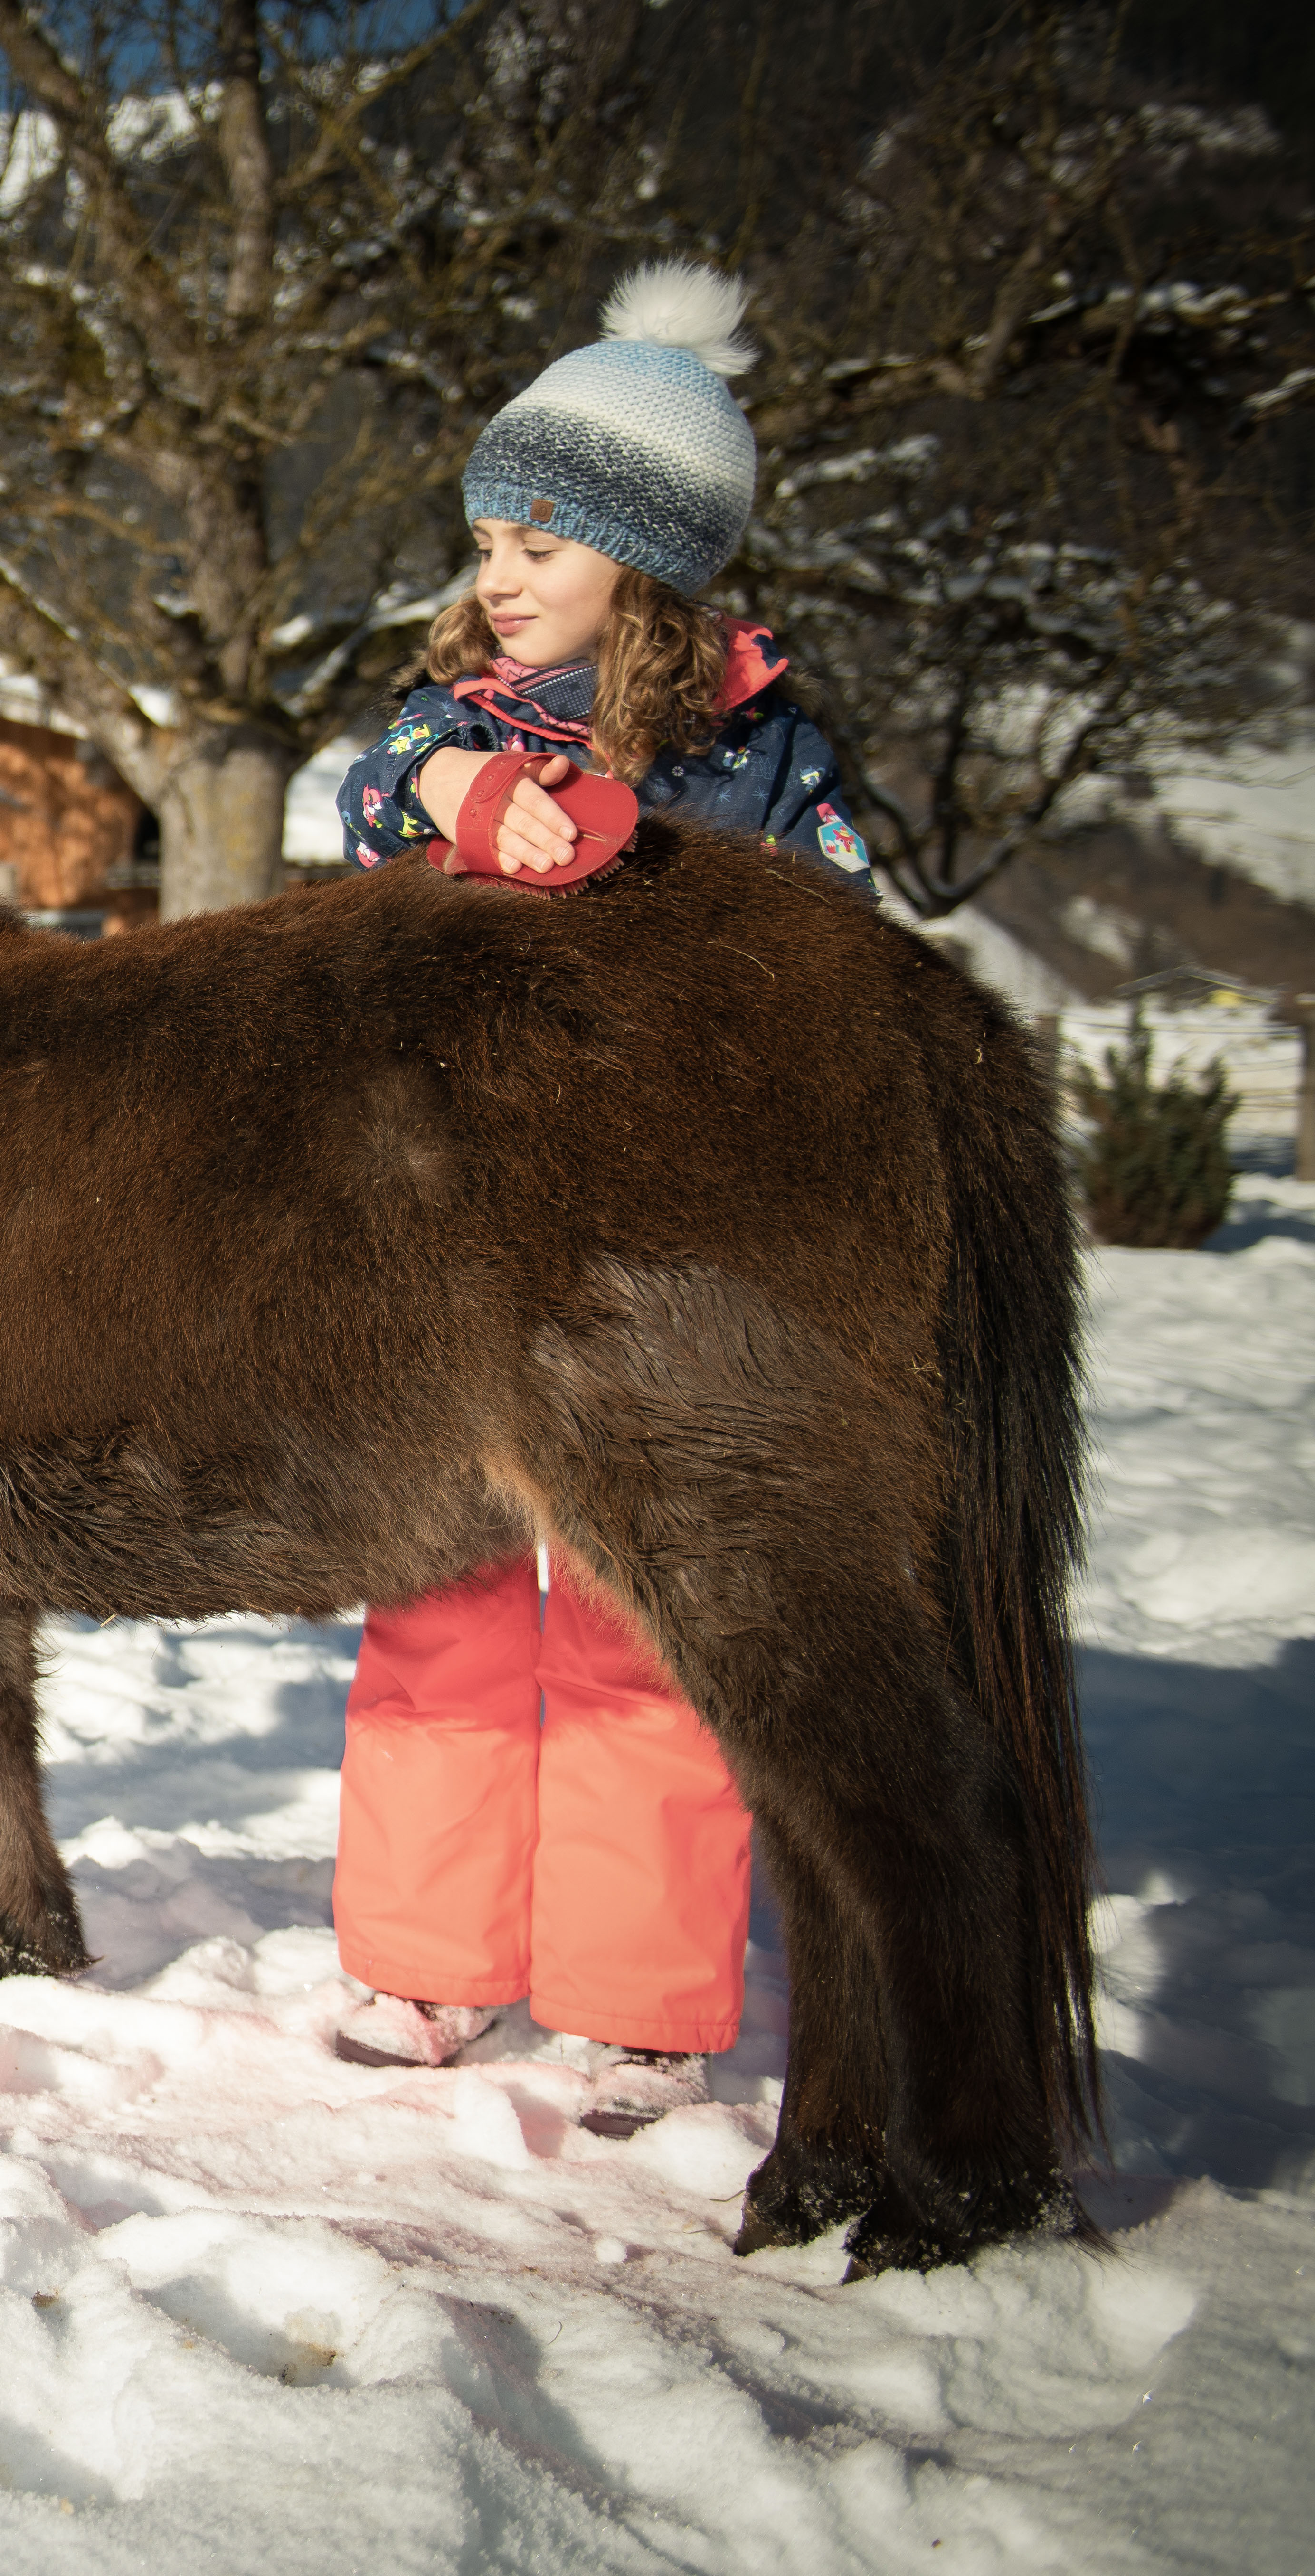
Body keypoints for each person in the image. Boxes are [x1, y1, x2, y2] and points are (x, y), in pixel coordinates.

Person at [322, 266, 870, 2136]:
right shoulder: (442, 724)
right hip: (459, 1243)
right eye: (487, 530)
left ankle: (641, 1995)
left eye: (542, 533)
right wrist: (471, 790)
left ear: (649, 556)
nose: (501, 566)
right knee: (444, 1590)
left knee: (647, 1614)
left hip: (670, 1255)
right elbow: (366, 805)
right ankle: (422, 1952)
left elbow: (846, 968)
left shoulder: (768, 756)